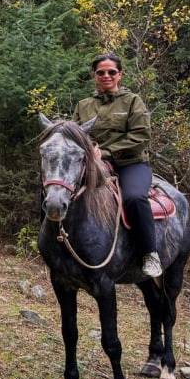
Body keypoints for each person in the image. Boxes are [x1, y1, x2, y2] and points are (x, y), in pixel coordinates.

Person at [73, 52, 160, 277]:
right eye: (101, 72)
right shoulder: (83, 105)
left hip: (131, 163)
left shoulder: (132, 101)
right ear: (94, 75)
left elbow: (141, 136)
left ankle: (149, 253)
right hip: (95, 164)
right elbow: (75, 134)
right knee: (62, 190)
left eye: (112, 72)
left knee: (134, 198)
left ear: (120, 74)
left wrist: (107, 151)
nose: (106, 76)